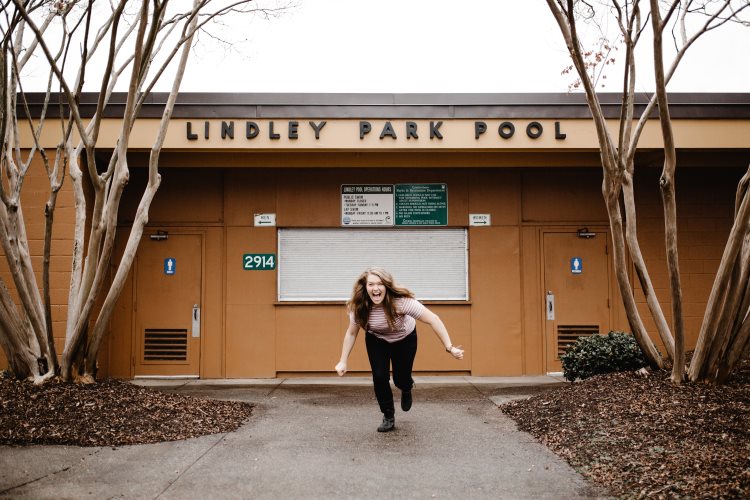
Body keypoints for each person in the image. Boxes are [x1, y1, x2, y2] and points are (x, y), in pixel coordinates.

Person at [335, 267, 465, 432]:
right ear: (365, 286)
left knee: (400, 378)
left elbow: (433, 319)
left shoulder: (400, 302)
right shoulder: (360, 307)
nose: (375, 288)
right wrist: (343, 360)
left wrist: (449, 347)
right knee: (380, 376)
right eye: (371, 284)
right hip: (377, 339)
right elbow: (352, 333)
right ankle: (388, 415)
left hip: (404, 339)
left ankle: (406, 387)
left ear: (387, 286)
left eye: (380, 284)